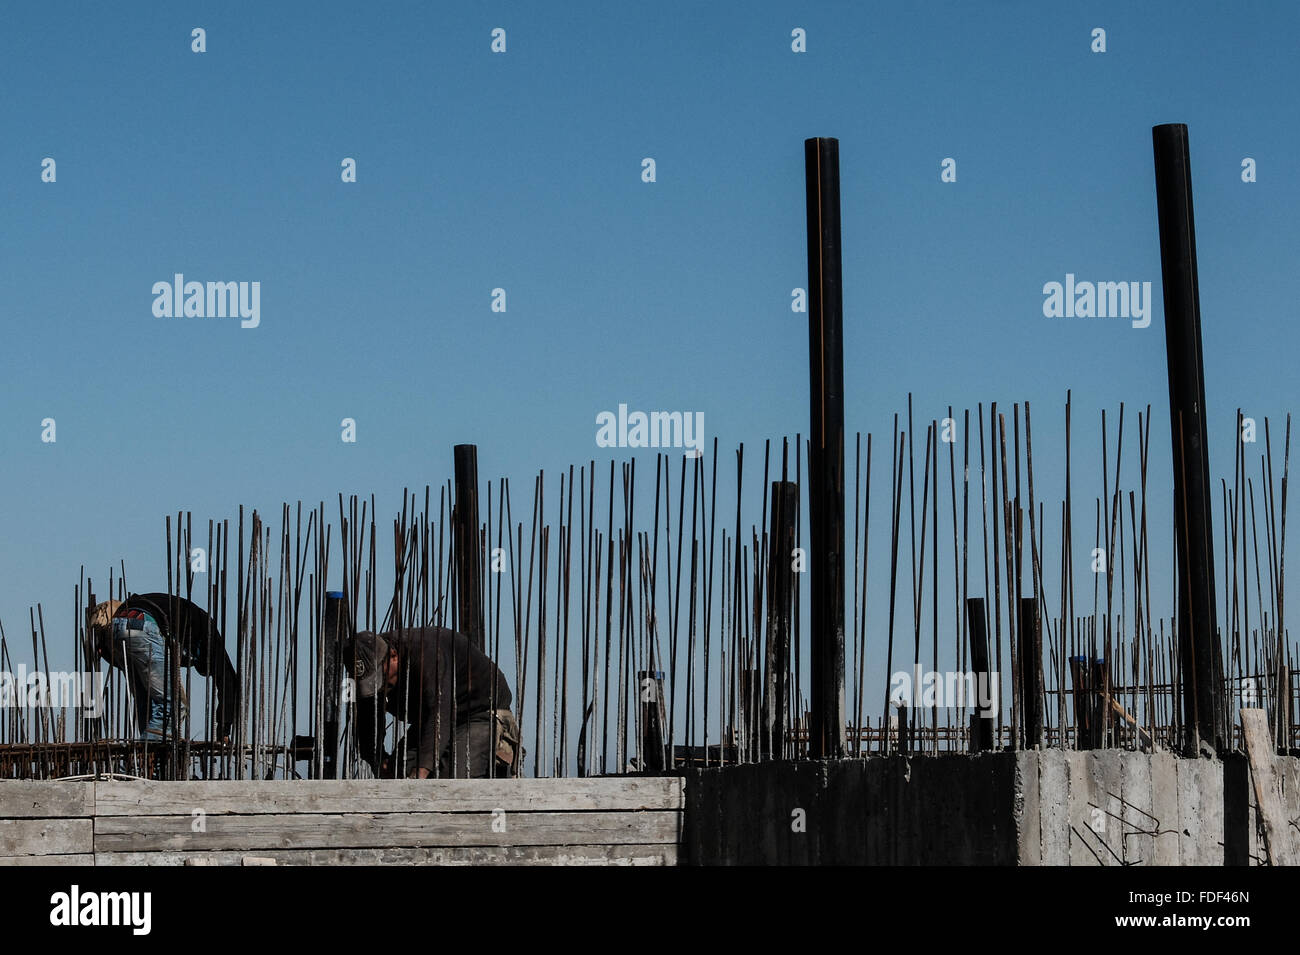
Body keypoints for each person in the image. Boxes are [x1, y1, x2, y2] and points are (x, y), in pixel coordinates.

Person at [348, 626, 519, 779]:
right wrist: (378, 759)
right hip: (432, 718)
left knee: (451, 779)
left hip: (479, 713)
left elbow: (439, 714)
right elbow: (366, 718)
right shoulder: (366, 665)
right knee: (399, 771)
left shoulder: (427, 652)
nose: (381, 687)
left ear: (394, 656)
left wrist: (420, 774)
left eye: (383, 679)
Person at [86, 594, 240, 741]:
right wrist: (224, 730)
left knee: (148, 706)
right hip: (143, 627)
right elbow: (229, 681)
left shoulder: (181, 620)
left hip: (115, 630)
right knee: (174, 704)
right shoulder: (209, 636)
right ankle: (150, 753)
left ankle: (149, 756)